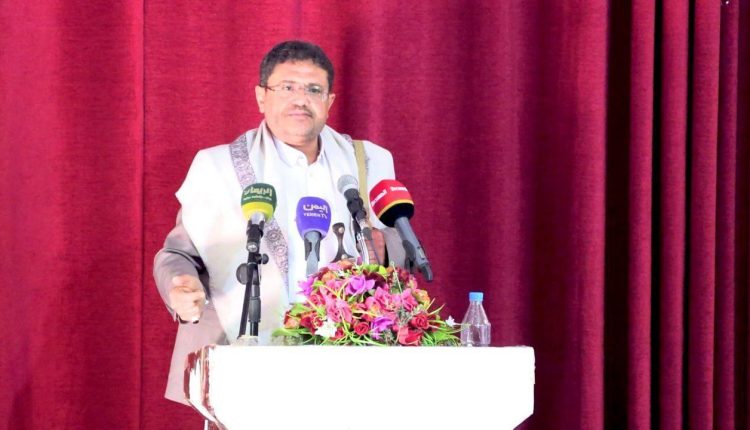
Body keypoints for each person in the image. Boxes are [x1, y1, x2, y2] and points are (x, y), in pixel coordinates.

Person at [153, 40, 405, 404]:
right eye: (287, 87)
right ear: (261, 97)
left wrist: (386, 249)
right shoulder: (218, 168)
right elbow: (177, 254)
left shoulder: (366, 163)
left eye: (313, 90)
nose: (300, 99)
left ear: (330, 102)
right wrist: (179, 285)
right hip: (244, 361)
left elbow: (399, 248)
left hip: (348, 362)